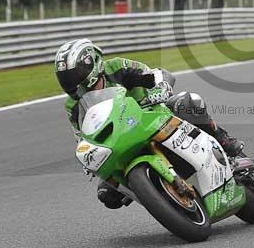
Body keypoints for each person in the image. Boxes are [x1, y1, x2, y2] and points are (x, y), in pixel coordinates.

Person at [54, 38, 244, 210]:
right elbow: (81, 135)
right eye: (65, 78)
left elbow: (155, 75)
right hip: (120, 139)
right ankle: (163, 199)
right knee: (107, 194)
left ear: (91, 64)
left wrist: (161, 88)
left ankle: (224, 142)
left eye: (73, 75)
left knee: (188, 102)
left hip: (154, 115)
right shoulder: (73, 104)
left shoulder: (116, 67)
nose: (70, 82)